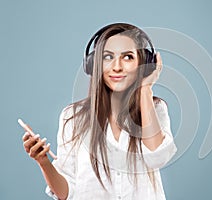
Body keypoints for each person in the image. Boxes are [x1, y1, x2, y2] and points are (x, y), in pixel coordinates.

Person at [22, 22, 177, 200]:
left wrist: (145, 89)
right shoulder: (72, 117)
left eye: (127, 57)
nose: (117, 67)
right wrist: (43, 162)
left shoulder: (155, 109)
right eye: (108, 57)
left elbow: (157, 157)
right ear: (94, 64)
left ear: (144, 64)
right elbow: (66, 192)